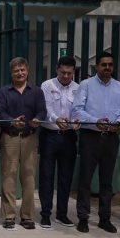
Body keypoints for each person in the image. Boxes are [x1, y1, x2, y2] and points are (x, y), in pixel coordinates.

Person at [71, 51, 120, 234]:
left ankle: (105, 218)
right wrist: (95, 120)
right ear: (96, 66)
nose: (107, 68)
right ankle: (83, 218)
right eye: (103, 64)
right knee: (85, 180)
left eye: (110, 65)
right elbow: (77, 111)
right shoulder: (86, 85)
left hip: (111, 139)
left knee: (107, 182)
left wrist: (118, 122)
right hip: (91, 137)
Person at [0, 57, 47, 229]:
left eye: (22, 69)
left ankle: (27, 216)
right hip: (10, 137)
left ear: (27, 70)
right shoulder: (3, 92)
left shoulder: (37, 91)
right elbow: (0, 112)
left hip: (30, 138)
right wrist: (11, 121)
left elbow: (42, 111)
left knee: (29, 177)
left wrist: (37, 119)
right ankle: (9, 216)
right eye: (16, 70)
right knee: (8, 176)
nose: (20, 73)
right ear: (11, 72)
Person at [38, 56, 80, 229]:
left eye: (69, 73)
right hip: (50, 135)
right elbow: (45, 109)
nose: (65, 76)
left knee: (66, 176)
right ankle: (45, 214)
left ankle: (62, 214)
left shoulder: (78, 88)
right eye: (62, 72)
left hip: (69, 136)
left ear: (73, 72)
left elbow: (79, 109)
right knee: (47, 176)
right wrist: (56, 119)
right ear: (57, 69)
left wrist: (78, 120)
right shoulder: (47, 85)